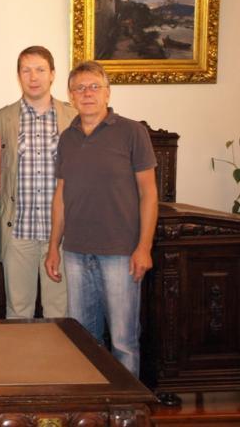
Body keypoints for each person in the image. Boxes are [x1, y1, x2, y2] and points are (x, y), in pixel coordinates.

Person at [45, 61, 158, 376]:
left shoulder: (132, 132)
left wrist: (144, 247)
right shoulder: (67, 138)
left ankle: (127, 403)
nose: (87, 93)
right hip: (76, 252)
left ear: (107, 92)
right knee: (84, 340)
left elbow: (149, 194)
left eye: (94, 86)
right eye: (80, 88)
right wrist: (54, 247)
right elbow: (61, 196)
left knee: (124, 341)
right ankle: (93, 402)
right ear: (71, 96)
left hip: (120, 253)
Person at [0, 46, 76, 319]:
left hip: (60, 233)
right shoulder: (0, 119)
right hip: (18, 231)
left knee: (59, 312)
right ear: (18, 76)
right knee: (18, 311)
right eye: (26, 70)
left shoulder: (73, 118)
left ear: (52, 74)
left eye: (40, 69)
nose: (33, 76)